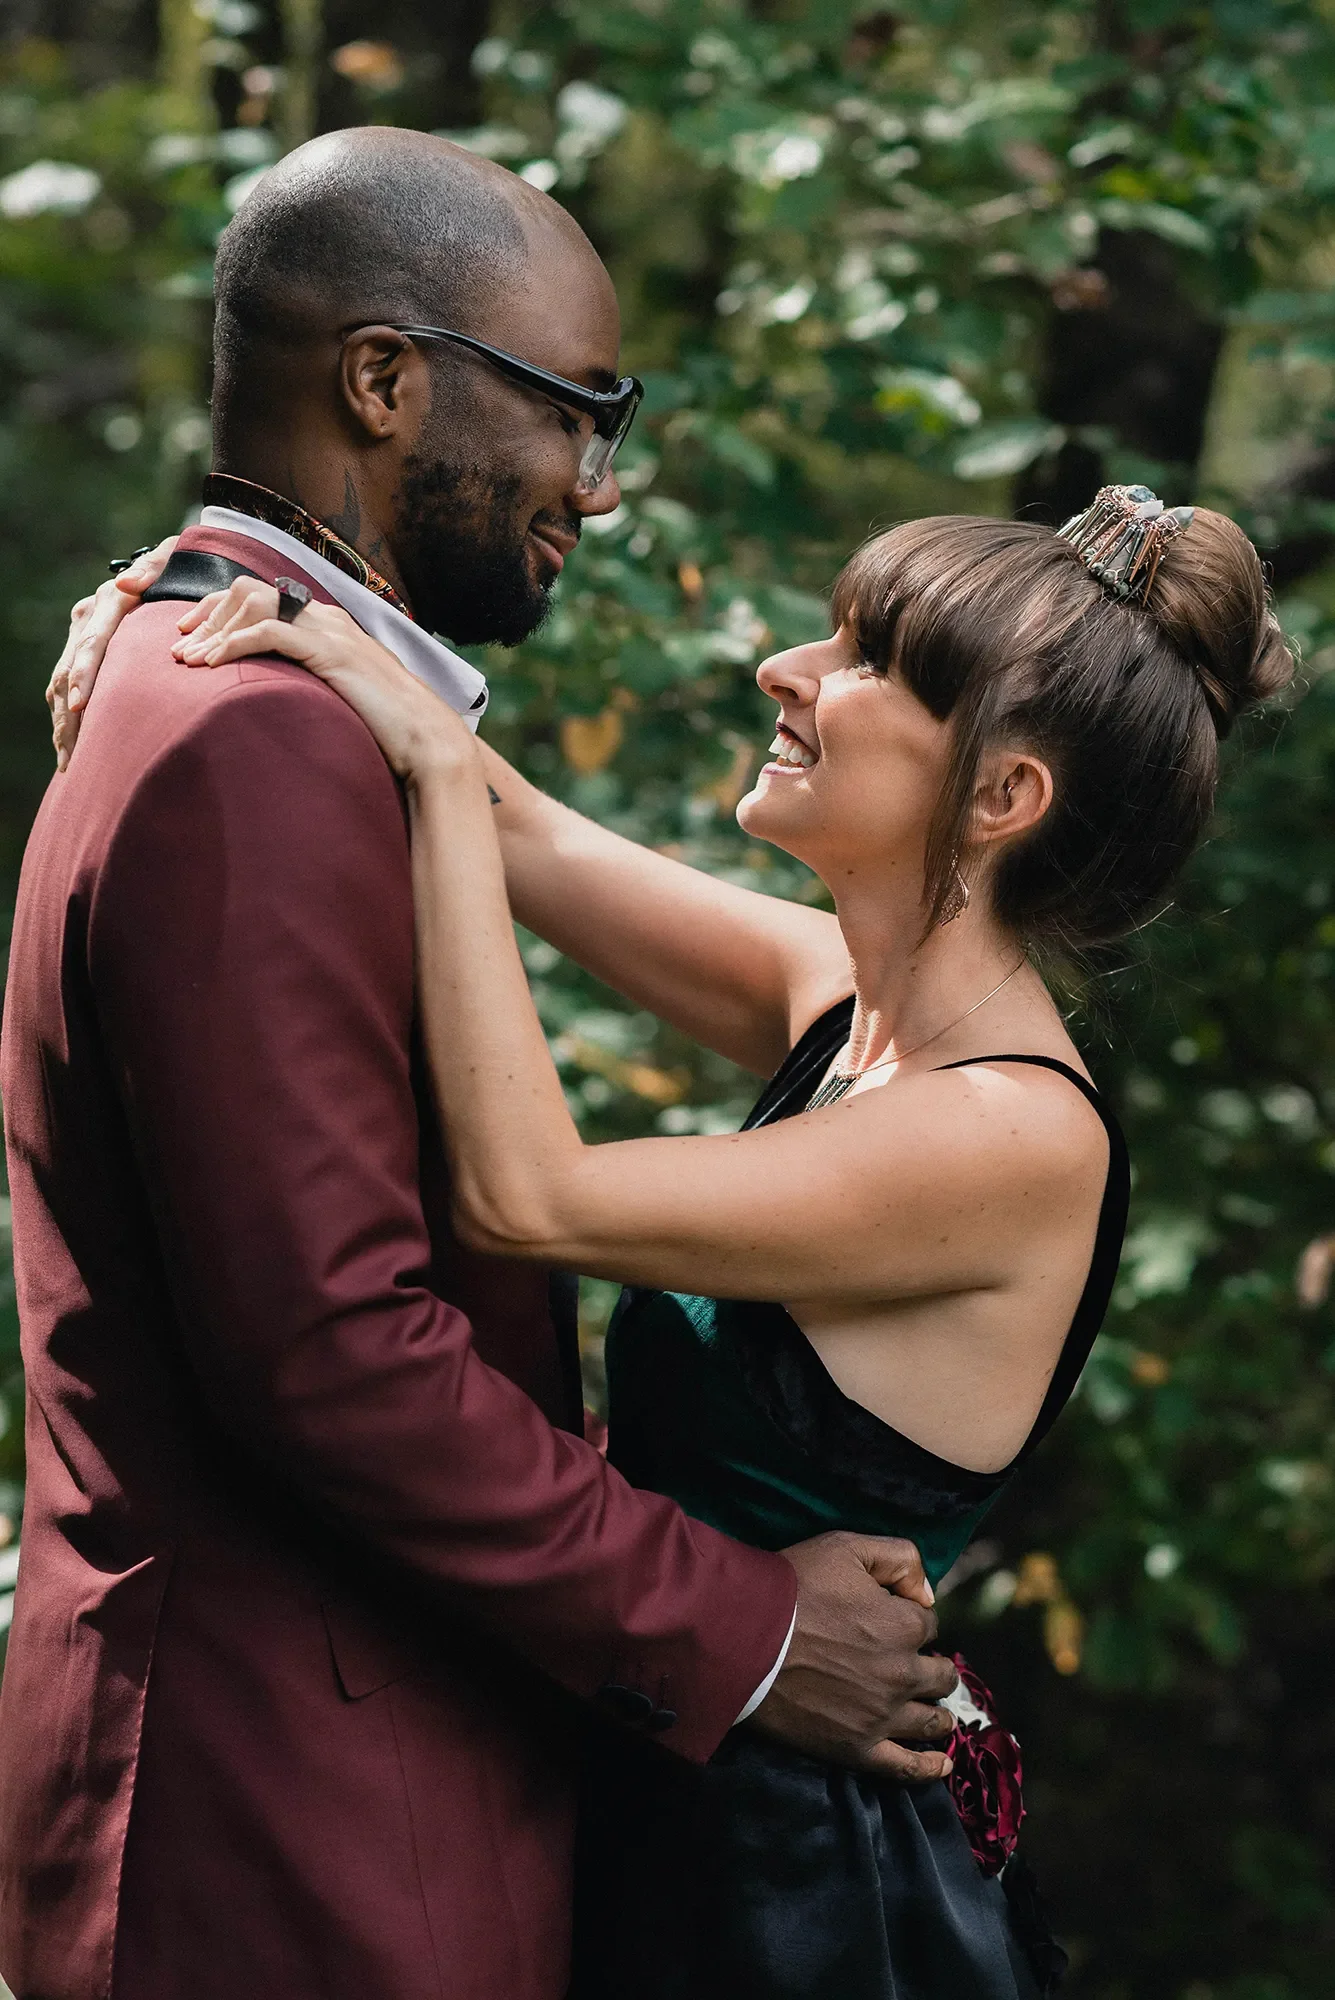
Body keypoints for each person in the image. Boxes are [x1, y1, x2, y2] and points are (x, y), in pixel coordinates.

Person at [55, 482, 1294, 1996]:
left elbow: (529, 1196)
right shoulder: (850, 1011)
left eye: (861, 663)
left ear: (1001, 798)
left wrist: (439, 774)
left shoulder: (1011, 1135)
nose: (782, 667)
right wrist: (184, 595)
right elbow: (528, 831)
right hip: (667, 1773)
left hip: (798, 1887)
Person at [2, 129, 961, 2000]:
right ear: (382, 379)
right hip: (287, 1822)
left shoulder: (248, 691)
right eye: (573, 414)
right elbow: (332, 1354)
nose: (591, 492)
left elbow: (538, 843)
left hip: (367, 1784)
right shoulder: (245, 738)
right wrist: (751, 1633)